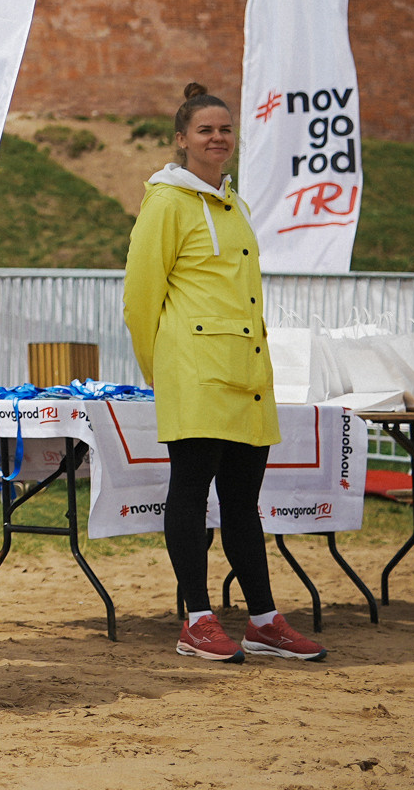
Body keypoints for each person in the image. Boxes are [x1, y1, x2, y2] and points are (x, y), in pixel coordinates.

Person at [124, 83, 325, 663]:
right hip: (194, 373)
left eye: (226, 129)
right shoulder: (165, 202)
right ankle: (197, 617)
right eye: (206, 130)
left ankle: (262, 619)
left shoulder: (236, 205)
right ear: (181, 139)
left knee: (243, 501)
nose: (218, 138)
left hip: (246, 376)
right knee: (189, 493)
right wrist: (162, 371)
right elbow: (141, 299)